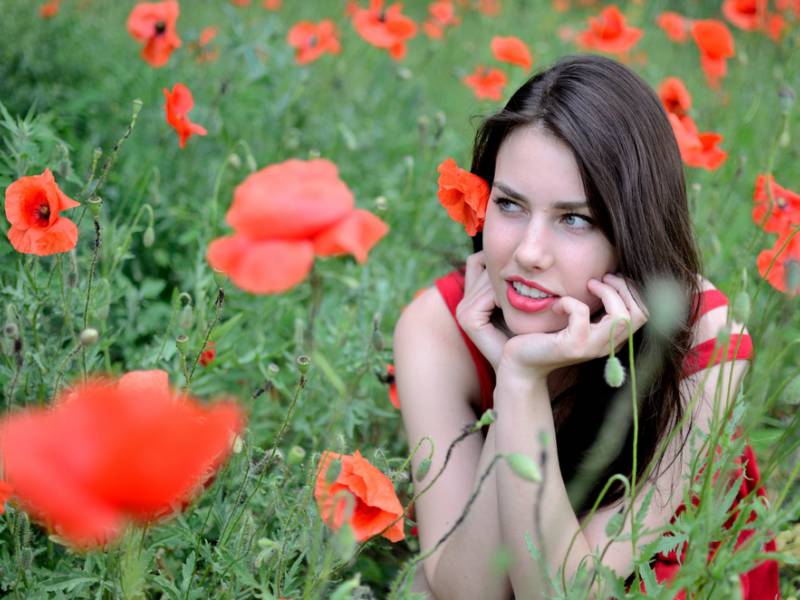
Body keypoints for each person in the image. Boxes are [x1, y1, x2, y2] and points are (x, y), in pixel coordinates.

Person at [393, 55, 779, 600]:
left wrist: (525, 384)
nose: (528, 253)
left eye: (576, 219)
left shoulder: (704, 342)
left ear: (632, 232)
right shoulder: (437, 328)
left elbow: (566, 592)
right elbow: (466, 592)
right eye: (510, 205)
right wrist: (517, 376)